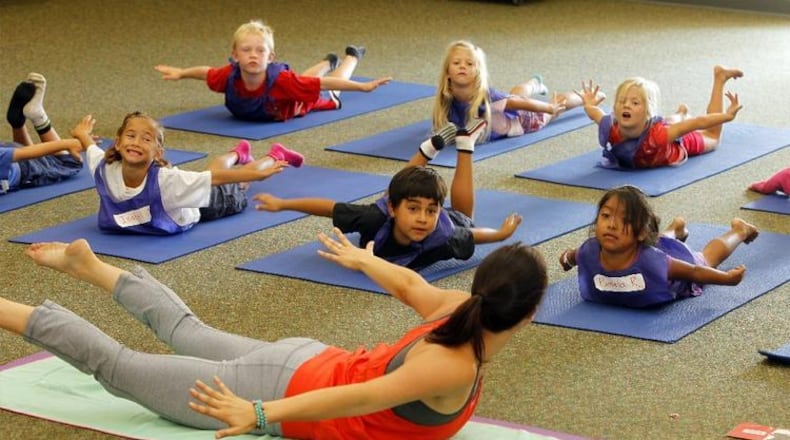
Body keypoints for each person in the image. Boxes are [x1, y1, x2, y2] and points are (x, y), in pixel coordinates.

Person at [2, 231, 548, 439]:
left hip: (303, 359)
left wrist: (365, 260)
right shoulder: (454, 363)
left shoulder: (457, 306)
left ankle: (92, 268)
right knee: (118, 369)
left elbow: (409, 286)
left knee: (189, 331)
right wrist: (258, 414)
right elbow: (359, 397)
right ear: (528, 316)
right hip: (285, 386)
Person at [253, 135, 523, 270]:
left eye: (430, 211)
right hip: (387, 215)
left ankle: (465, 148)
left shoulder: (442, 235)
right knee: (392, 195)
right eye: (414, 209)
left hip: (450, 222)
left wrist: (500, 234)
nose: (422, 218)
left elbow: (475, 235)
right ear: (395, 211)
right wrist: (282, 204)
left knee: (465, 216)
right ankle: (424, 153)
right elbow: (328, 207)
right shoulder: (375, 218)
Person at [70, 112, 303, 235]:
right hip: (185, 190)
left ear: (158, 153)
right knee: (208, 172)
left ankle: (273, 155)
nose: (136, 143)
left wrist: (256, 177)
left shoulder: (167, 180)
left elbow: (216, 179)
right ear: (118, 143)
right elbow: (91, 149)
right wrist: (82, 134)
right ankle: (237, 152)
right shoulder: (105, 168)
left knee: (237, 187)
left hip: (203, 207)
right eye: (131, 136)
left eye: (146, 139)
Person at [558, 185, 760, 308]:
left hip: (672, 274)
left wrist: (726, 279)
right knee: (657, 241)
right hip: (647, 245)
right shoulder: (589, 250)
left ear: (641, 232)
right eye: (605, 215)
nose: (611, 224)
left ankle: (739, 230)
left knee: (706, 257)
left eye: (624, 220)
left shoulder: (655, 262)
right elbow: (575, 256)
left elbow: (695, 271)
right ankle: (676, 228)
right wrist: (567, 259)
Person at [153, 19, 391, 122]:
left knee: (319, 88)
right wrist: (182, 73)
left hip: (300, 103)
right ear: (235, 56)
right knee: (301, 80)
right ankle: (328, 61)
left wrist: (362, 86)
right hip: (288, 88)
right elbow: (206, 72)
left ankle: (351, 57)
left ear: (271, 57)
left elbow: (326, 85)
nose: (253, 55)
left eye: (260, 51)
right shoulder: (229, 74)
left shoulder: (282, 80)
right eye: (246, 50)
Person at [416, 40, 586, 160]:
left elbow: (520, 103)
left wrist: (549, 108)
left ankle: (584, 96)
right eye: (457, 62)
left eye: (469, 64)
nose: (462, 66)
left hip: (521, 120)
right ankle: (535, 84)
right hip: (502, 113)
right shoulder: (446, 96)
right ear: (447, 71)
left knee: (554, 105)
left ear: (478, 73)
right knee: (512, 95)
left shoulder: (486, 96)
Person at [576, 65, 743, 169]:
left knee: (713, 138)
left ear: (649, 112)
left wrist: (726, 116)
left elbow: (698, 122)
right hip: (659, 128)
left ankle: (719, 78)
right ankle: (680, 113)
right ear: (615, 107)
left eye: (634, 103)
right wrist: (589, 103)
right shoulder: (611, 125)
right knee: (668, 123)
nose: (626, 105)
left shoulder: (659, 135)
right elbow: (593, 112)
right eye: (622, 101)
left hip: (676, 144)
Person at [2, 73, 84, 194]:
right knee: (29, 155)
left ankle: (38, 117)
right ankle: (18, 123)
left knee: (71, 163)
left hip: (22, 168)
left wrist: (68, 144)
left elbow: (26, 153)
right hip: (9, 152)